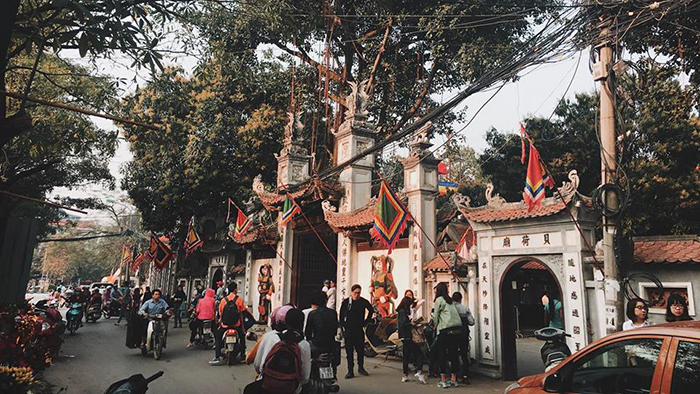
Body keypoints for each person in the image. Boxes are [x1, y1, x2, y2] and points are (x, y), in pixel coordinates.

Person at [245, 307, 311, 394]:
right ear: (302, 324)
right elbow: (305, 378)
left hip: (267, 386)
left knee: (248, 390)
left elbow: (258, 366)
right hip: (292, 389)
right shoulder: (304, 345)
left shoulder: (269, 337)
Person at [339, 284, 373, 379]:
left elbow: (371, 310)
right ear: (352, 292)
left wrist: (366, 321)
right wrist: (343, 327)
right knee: (349, 351)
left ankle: (361, 368)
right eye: (355, 293)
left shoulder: (363, 301)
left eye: (358, 293)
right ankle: (350, 371)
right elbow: (341, 316)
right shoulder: (346, 302)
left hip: (359, 329)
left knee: (360, 350)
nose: (357, 295)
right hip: (349, 330)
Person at [432, 283, 462, 388]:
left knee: (442, 355)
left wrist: (435, 326)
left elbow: (435, 316)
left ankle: (443, 380)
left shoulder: (439, 300)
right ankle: (454, 379)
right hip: (456, 331)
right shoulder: (451, 301)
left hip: (445, 330)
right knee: (454, 355)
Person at [210, 282, 247, 366]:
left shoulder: (223, 300)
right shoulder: (239, 299)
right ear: (235, 289)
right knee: (242, 338)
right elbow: (241, 313)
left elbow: (220, 314)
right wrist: (243, 327)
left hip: (225, 326)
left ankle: (217, 357)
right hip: (236, 325)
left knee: (218, 338)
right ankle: (242, 356)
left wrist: (220, 324)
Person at [305, 291, 339, 377]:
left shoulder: (312, 314)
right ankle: (333, 373)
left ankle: (309, 375)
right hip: (330, 345)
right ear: (325, 301)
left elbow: (308, 332)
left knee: (308, 357)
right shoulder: (333, 313)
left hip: (317, 345)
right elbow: (335, 330)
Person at [397, 295, 426, 384]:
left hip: (404, 337)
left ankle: (405, 375)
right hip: (407, 336)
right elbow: (403, 324)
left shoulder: (401, 312)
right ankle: (419, 372)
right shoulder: (402, 312)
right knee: (419, 353)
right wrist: (411, 324)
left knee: (406, 356)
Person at [452, 292, 475, 384]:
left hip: (452, 335)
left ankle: (455, 375)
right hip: (463, 335)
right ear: (460, 299)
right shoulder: (465, 308)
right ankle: (465, 375)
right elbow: (471, 322)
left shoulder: (450, 309)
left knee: (453, 355)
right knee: (464, 355)